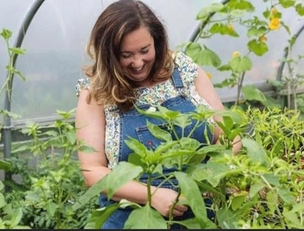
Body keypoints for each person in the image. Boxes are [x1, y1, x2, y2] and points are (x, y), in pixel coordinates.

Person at [75, 0, 241, 229]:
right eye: (126, 55)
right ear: (109, 54)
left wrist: (209, 175)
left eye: (145, 50)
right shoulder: (96, 92)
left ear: (157, 41)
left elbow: (229, 134)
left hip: (201, 214)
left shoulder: (182, 70)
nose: (137, 62)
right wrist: (153, 195)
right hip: (131, 217)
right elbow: (92, 170)